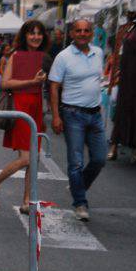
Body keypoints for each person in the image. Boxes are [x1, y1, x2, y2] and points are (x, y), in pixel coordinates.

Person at [0, 20, 49, 214]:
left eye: (39, 33)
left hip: (36, 108)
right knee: (27, 158)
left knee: (33, 159)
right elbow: (6, 83)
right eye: (31, 33)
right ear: (25, 36)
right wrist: (32, 81)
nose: (36, 37)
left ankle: (27, 201)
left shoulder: (43, 57)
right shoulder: (16, 55)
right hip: (21, 108)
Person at [48, 19, 106, 222]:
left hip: (95, 114)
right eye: (78, 30)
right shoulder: (63, 57)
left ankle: (77, 185)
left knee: (100, 159)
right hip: (73, 114)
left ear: (92, 33)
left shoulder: (98, 53)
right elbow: (54, 86)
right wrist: (56, 116)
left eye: (87, 30)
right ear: (71, 33)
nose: (82, 33)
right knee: (76, 162)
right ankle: (80, 202)